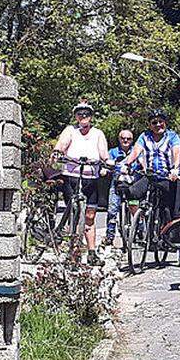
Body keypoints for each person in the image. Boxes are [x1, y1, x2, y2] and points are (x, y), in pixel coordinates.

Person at [123, 108, 180, 263]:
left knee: (175, 212)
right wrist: (127, 164)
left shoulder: (172, 136)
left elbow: (176, 153)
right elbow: (135, 152)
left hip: (168, 177)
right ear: (149, 125)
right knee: (131, 192)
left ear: (165, 122)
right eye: (154, 122)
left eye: (160, 121)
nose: (158, 125)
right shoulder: (144, 137)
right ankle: (141, 219)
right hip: (150, 177)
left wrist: (175, 169)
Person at [52, 100, 108, 265]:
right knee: (75, 212)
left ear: (91, 117)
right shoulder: (70, 130)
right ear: (76, 116)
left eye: (86, 114)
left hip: (91, 177)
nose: (83, 117)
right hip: (72, 175)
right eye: (80, 114)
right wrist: (57, 152)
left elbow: (103, 153)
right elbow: (62, 144)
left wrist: (108, 161)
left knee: (90, 215)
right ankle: (73, 250)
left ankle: (91, 252)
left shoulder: (98, 133)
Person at [104, 129, 140, 247]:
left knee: (136, 208)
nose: (125, 140)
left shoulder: (137, 151)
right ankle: (110, 235)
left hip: (132, 184)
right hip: (117, 183)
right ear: (119, 139)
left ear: (132, 140)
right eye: (123, 138)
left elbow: (143, 163)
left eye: (128, 139)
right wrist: (105, 170)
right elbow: (107, 164)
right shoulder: (113, 152)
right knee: (112, 209)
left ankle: (140, 232)